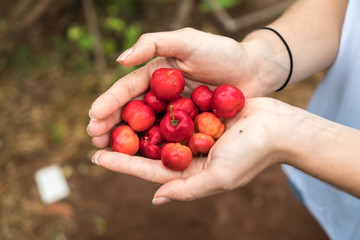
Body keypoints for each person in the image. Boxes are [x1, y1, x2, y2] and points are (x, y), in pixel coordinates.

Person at [86, 0, 360, 238]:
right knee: (309, 217)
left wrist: (291, 137)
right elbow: (345, 10)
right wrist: (258, 61)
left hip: (315, 154)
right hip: (313, 174)